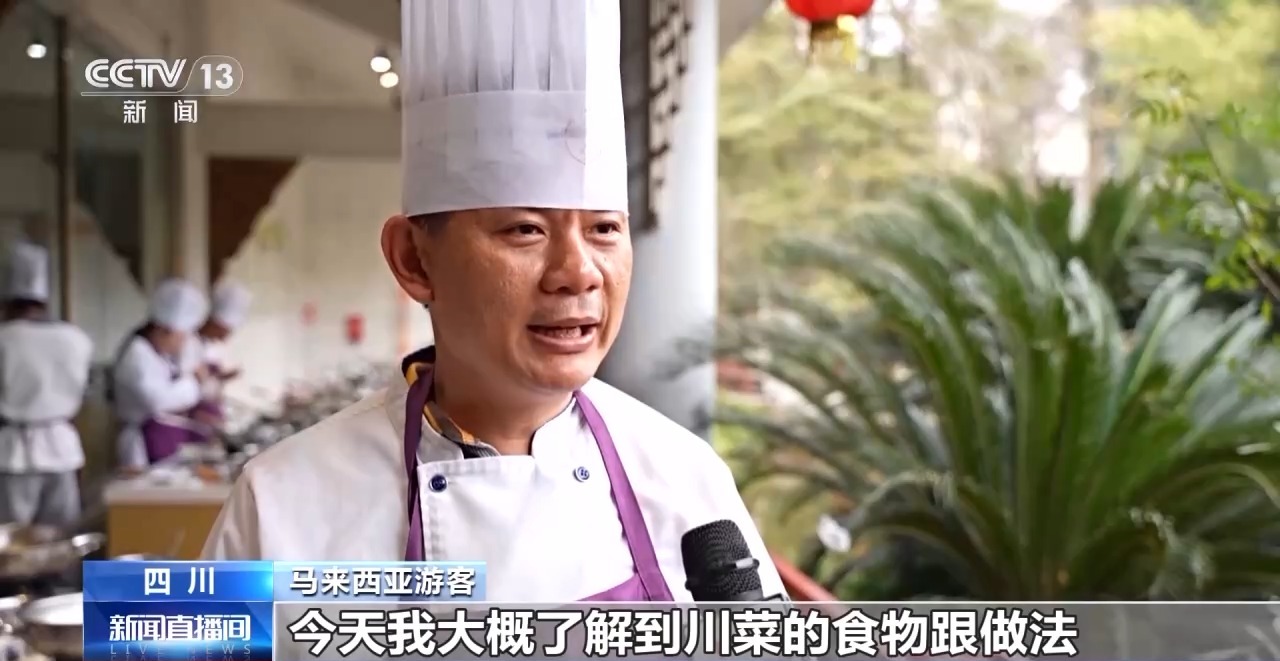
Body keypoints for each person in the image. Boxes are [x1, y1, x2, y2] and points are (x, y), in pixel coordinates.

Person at [201, 0, 785, 604]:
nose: (578, 273)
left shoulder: (681, 475)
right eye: (524, 230)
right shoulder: (283, 505)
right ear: (414, 260)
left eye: (604, 229)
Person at [0, 242, 93, 528]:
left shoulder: (4, 339)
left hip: (12, 453)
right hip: (62, 447)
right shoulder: (76, 339)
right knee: (60, 536)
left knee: (12, 538)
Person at [111, 278, 211, 470]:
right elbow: (158, 400)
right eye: (181, 337)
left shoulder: (157, 354)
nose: (182, 344)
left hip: (158, 439)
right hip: (140, 445)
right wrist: (195, 381)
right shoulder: (137, 355)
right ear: (164, 330)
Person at [183, 282, 252, 426]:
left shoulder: (208, 345)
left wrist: (221, 377)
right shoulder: (186, 343)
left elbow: (206, 380)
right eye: (225, 331)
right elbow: (190, 388)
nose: (225, 338)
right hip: (190, 419)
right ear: (216, 323)